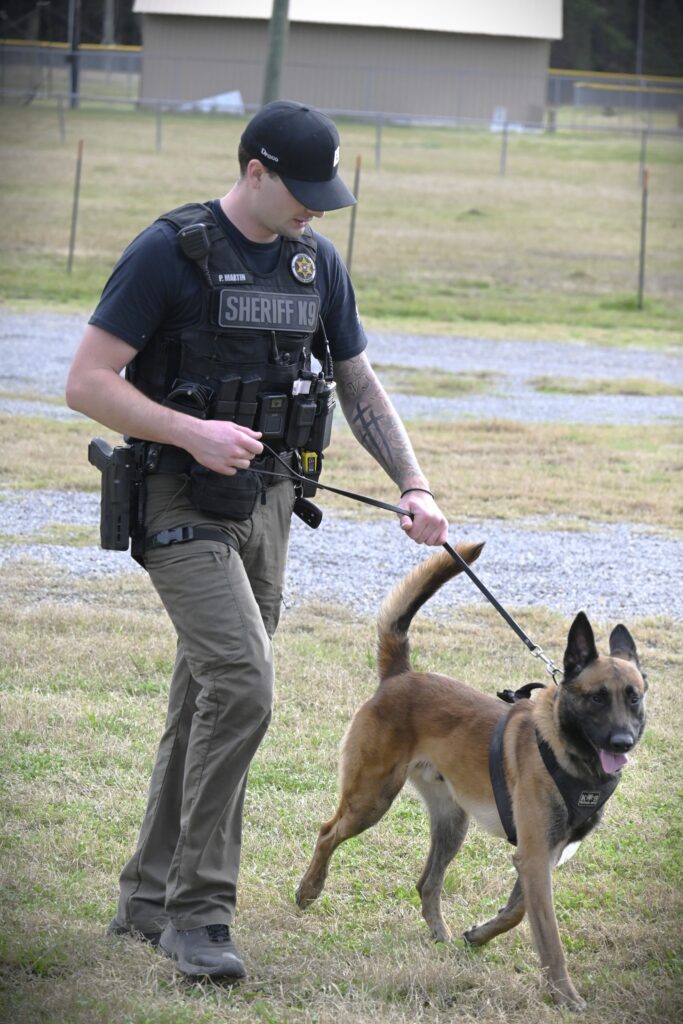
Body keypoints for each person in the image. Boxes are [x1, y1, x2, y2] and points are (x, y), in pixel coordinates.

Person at [66, 100, 448, 981]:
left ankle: (145, 898)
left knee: (205, 698)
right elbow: (86, 381)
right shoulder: (171, 251)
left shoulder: (316, 263)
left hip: (269, 504)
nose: (316, 207)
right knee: (243, 684)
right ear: (254, 172)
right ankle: (199, 915)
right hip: (177, 497)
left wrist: (413, 483)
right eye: (302, 190)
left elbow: (356, 383)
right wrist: (190, 431)